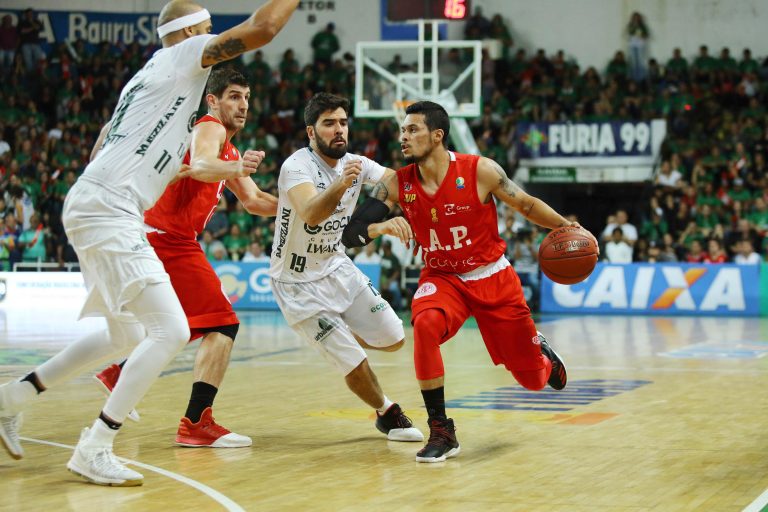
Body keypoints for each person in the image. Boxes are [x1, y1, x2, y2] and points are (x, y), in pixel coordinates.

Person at [0, 0, 300, 487]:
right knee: (171, 331)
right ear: (189, 35)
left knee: (125, 336)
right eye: (207, 29)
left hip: (97, 203)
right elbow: (264, 27)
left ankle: (12, 398)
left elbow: (105, 139)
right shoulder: (181, 61)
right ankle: (96, 445)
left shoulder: (149, 84)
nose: (213, 39)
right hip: (113, 211)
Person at [342, 101, 579, 463]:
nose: (403, 137)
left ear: (437, 135)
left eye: (413, 130)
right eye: (403, 130)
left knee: (532, 380)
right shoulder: (397, 183)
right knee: (425, 324)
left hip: (493, 277)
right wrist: (382, 226)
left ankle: (543, 356)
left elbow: (527, 205)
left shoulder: (480, 170)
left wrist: (566, 227)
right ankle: (442, 430)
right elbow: (352, 232)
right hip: (443, 278)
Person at [92, 67, 278, 448]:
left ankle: (120, 373)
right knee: (223, 324)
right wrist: (235, 167)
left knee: (182, 326)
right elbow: (202, 165)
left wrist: (301, 209)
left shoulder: (230, 149)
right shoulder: (209, 127)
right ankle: (195, 422)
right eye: (234, 96)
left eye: (246, 97)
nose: (243, 105)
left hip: (169, 240)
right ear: (213, 100)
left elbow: (255, 200)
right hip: (168, 240)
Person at [270, 92, 422, 443]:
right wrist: (342, 184)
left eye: (342, 122)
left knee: (394, 338)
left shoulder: (356, 162)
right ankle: (387, 412)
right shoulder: (296, 166)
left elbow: (398, 183)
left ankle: (337, 337)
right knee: (353, 360)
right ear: (311, 132)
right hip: (297, 282)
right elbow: (311, 214)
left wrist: (391, 213)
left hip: (337, 265)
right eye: (329, 124)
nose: (339, 129)